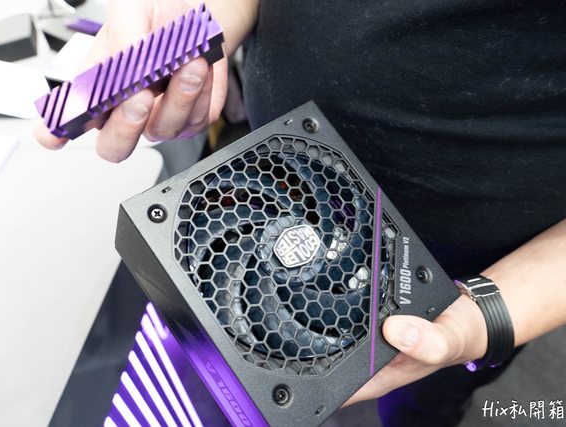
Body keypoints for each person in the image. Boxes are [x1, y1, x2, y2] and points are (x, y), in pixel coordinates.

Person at [36, 1, 566, 425]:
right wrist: (208, 18)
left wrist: (486, 316)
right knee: (244, 332)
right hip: (279, 177)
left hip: (479, 259)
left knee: (422, 396)